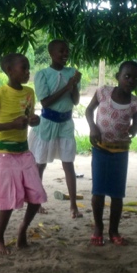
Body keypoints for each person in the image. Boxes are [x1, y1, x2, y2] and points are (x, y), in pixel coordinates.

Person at [0, 53, 47, 254]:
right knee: (8, 199)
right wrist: (11, 125)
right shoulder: (0, 93)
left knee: (37, 195)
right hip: (3, 153)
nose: (27, 72)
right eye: (23, 68)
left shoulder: (29, 92)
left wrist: (34, 120)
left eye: (28, 68)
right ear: (9, 71)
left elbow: (29, 117)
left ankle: (22, 229)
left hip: (23, 151)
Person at [85, 61, 137, 246]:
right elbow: (88, 110)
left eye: (135, 78)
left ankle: (114, 230)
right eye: (127, 76)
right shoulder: (103, 92)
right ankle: (98, 228)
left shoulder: (136, 103)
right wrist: (92, 127)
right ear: (118, 76)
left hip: (120, 152)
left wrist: (135, 128)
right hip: (100, 149)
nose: (131, 80)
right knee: (98, 192)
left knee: (117, 195)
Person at [28, 39, 82, 218]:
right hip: (47, 123)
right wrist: (67, 86)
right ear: (51, 54)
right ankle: (36, 203)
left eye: (67, 51)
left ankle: (73, 205)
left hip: (66, 123)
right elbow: (45, 102)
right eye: (61, 51)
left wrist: (74, 86)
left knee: (68, 164)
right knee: (40, 164)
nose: (65, 54)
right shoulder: (42, 74)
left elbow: (75, 101)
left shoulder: (72, 73)